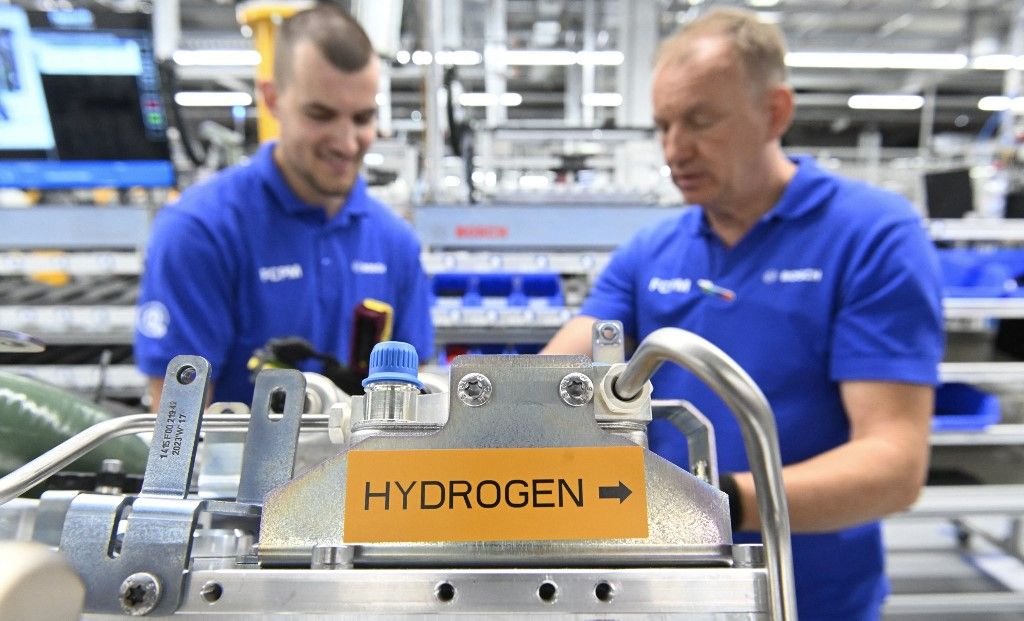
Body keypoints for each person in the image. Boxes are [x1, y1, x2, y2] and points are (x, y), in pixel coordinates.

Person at [542, 8, 943, 620]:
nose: (676, 149)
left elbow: (892, 464)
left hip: (811, 596)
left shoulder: (871, 235)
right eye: (664, 125)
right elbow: (555, 378)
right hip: (662, 591)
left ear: (775, 112)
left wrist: (711, 503)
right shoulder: (651, 251)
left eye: (701, 121)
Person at [135, 4, 433, 406]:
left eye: (362, 118)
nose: (346, 142)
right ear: (273, 100)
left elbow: (417, 402)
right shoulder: (201, 232)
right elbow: (177, 427)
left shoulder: (395, 242)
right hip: (237, 469)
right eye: (321, 115)